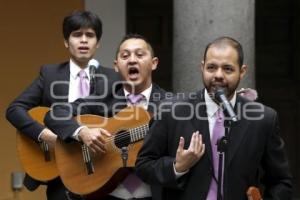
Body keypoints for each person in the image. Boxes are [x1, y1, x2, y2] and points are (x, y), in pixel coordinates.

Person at [135, 36, 293, 200]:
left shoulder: (263, 119)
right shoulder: (170, 110)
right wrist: (177, 166)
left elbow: (281, 181)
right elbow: (144, 166)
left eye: (228, 69)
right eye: (211, 67)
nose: (218, 75)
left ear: (242, 71)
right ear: (202, 67)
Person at [6, 10, 119, 200]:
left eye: (90, 35)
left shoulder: (113, 79)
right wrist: (45, 135)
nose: (84, 40)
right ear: (66, 42)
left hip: (100, 172)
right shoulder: (50, 75)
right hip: (60, 172)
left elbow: (121, 117)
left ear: (97, 43)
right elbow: (14, 110)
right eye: (77, 34)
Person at [44, 34, 167, 200]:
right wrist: (81, 132)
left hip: (152, 195)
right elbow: (55, 113)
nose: (132, 60)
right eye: (125, 56)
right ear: (116, 66)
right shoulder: (103, 98)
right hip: (104, 193)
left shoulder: (171, 105)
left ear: (154, 63)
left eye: (139, 55)